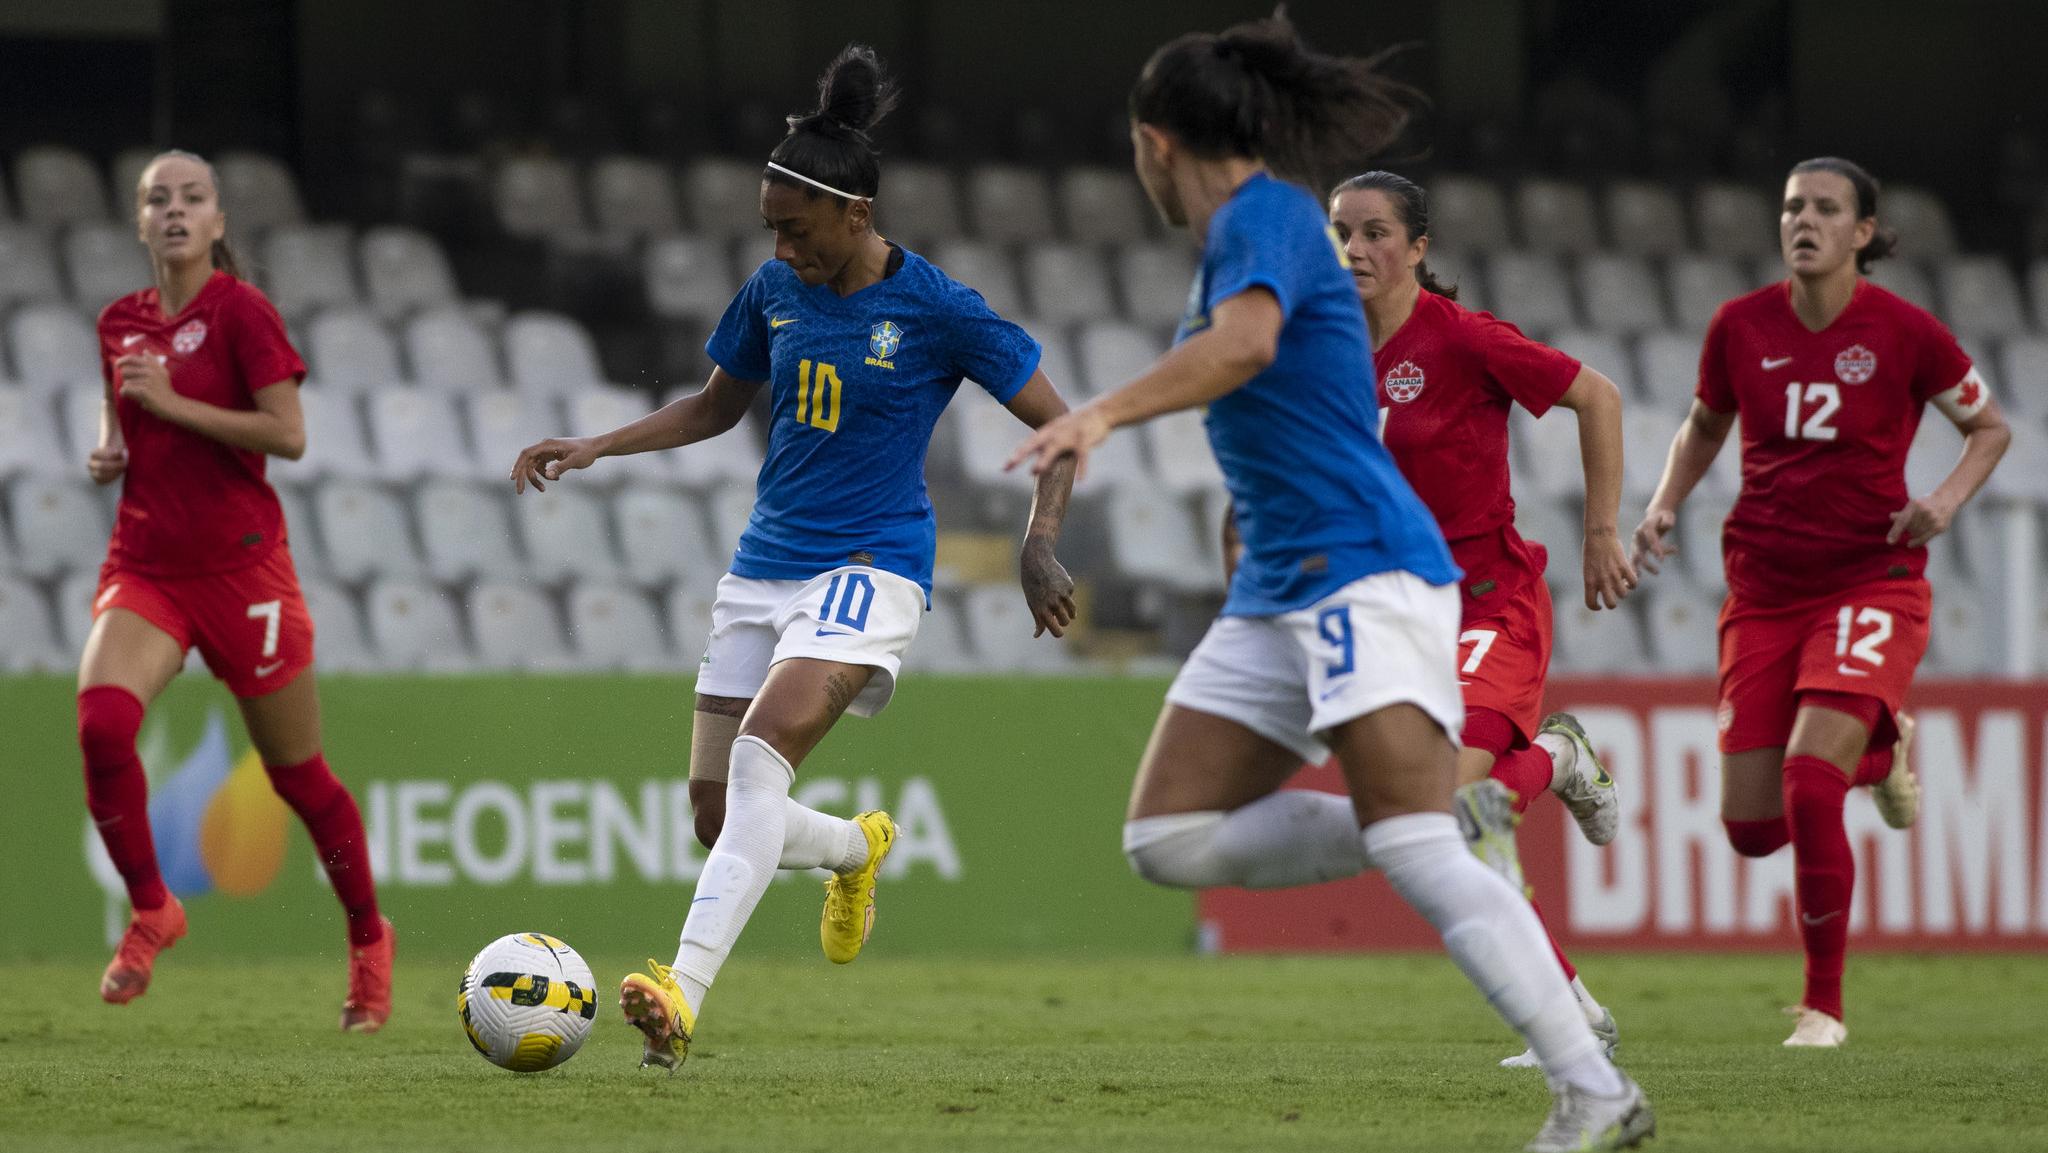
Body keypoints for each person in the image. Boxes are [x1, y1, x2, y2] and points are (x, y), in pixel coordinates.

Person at [1008, 16, 1652, 1151]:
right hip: (1277, 587)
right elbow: (1282, 411)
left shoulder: (1263, 220)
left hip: (1364, 570)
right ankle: (1450, 809)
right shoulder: (1246, 241)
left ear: (1155, 144)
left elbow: (1248, 349)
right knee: (1166, 840)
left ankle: (1592, 1088)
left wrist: (1099, 410)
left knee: (1410, 844)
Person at [508, 45, 1078, 1072]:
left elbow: (1058, 426)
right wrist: (595, 444)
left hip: (873, 568)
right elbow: (716, 405)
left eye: (796, 227)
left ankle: (678, 994)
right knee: (717, 812)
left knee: (762, 756)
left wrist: (1038, 540)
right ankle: (855, 849)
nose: (780, 245)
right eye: (771, 226)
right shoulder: (773, 288)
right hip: (763, 567)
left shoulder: (938, 308)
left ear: (856, 215)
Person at [1632, 157, 2009, 1048]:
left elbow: (1990, 428)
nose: (1803, 220)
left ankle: (1823, 1006)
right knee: (1752, 829)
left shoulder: (1909, 333)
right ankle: (1884, 752)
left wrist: (1943, 503)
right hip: (1763, 591)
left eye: (1826, 208)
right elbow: (1706, 423)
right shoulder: (1738, 325)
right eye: (1793, 206)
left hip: (1869, 578)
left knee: (1808, 782)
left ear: (1864, 233)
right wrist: (1663, 501)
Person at [81, 150, 393, 1029]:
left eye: (192, 198)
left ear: (218, 221)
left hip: (243, 571)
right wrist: (108, 450)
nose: (174, 210)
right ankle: (153, 909)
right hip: (147, 566)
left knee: (299, 777)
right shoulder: (116, 323)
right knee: (102, 723)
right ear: (139, 222)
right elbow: (121, 422)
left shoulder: (244, 312)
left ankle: (369, 936)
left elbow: (287, 436)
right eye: (157, 199)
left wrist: (173, 404)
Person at [1329, 169, 1633, 1068]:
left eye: (1376, 232)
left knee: (1447, 799)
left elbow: (1599, 395)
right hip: (1402, 618)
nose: (1355, 249)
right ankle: (1572, 1013)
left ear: (1418, 247)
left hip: (1491, 601)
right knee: (1440, 825)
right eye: (1341, 232)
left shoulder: (1461, 339)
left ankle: (1563, 757)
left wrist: (1601, 531)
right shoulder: (1329, 351)